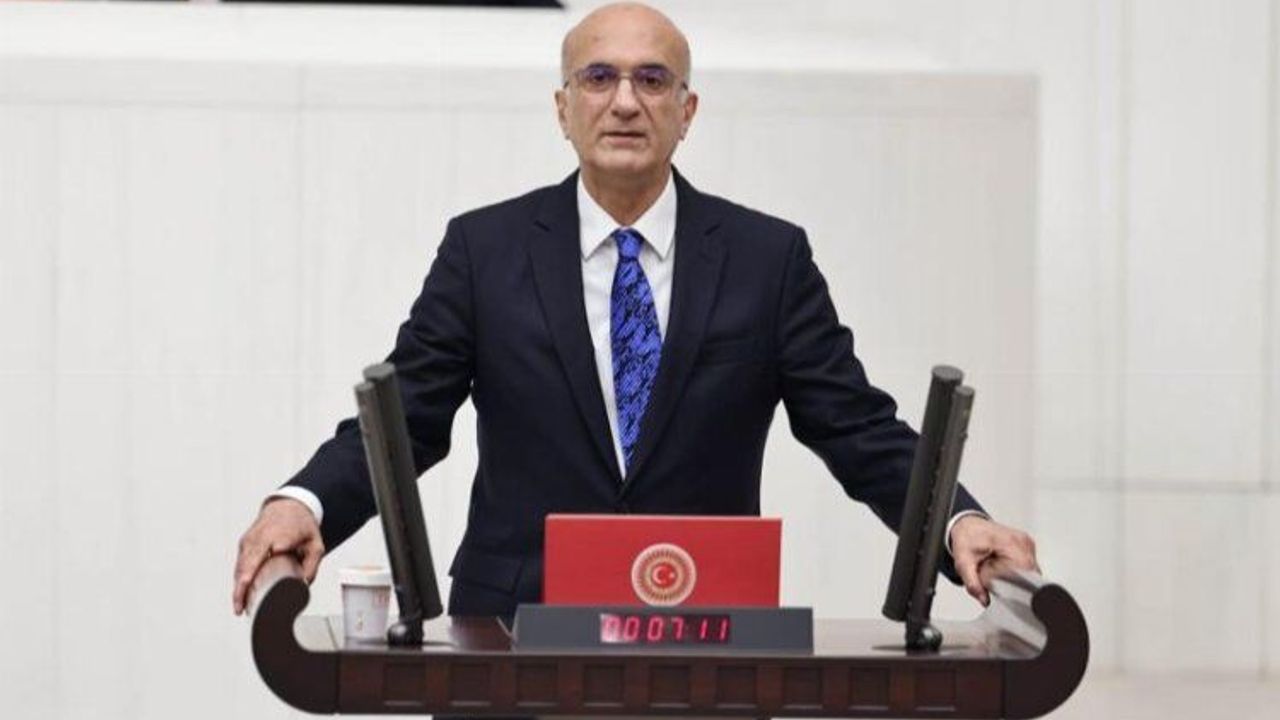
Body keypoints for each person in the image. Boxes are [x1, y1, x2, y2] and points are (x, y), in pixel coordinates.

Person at [232, 1, 1038, 618]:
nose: (625, 101)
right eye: (598, 78)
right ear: (563, 108)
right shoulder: (485, 251)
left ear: (688, 111)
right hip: (510, 642)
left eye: (652, 80)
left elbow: (856, 427)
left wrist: (958, 522)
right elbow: (406, 417)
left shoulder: (768, 260)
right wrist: (304, 503)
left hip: (705, 636)